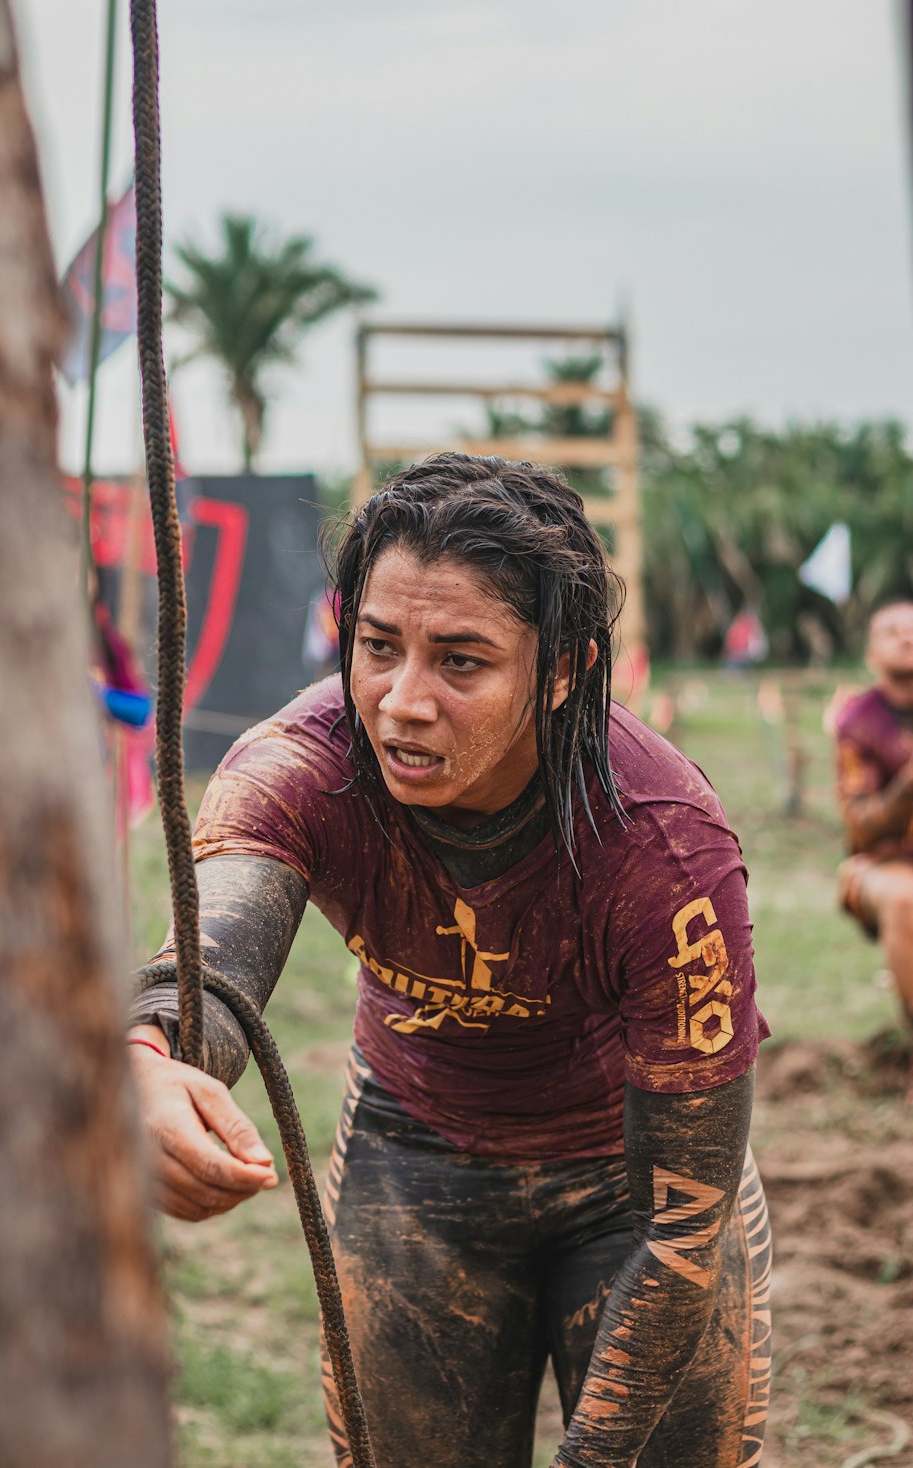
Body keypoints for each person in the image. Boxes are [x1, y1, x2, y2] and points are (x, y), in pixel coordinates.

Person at [127, 454, 772, 1468]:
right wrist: (148, 1061)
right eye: (378, 647)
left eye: (460, 661)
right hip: (413, 1154)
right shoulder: (300, 767)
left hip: (633, 1188)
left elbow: (687, 1221)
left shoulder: (661, 843)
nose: (400, 702)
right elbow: (209, 961)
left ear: (563, 671)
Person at [835, 599, 913, 1048]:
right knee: (906, 899)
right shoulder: (858, 722)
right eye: (891, 631)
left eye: (912, 629)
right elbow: (860, 827)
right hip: (879, 866)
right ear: (871, 656)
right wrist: (908, 785)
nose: (906, 636)